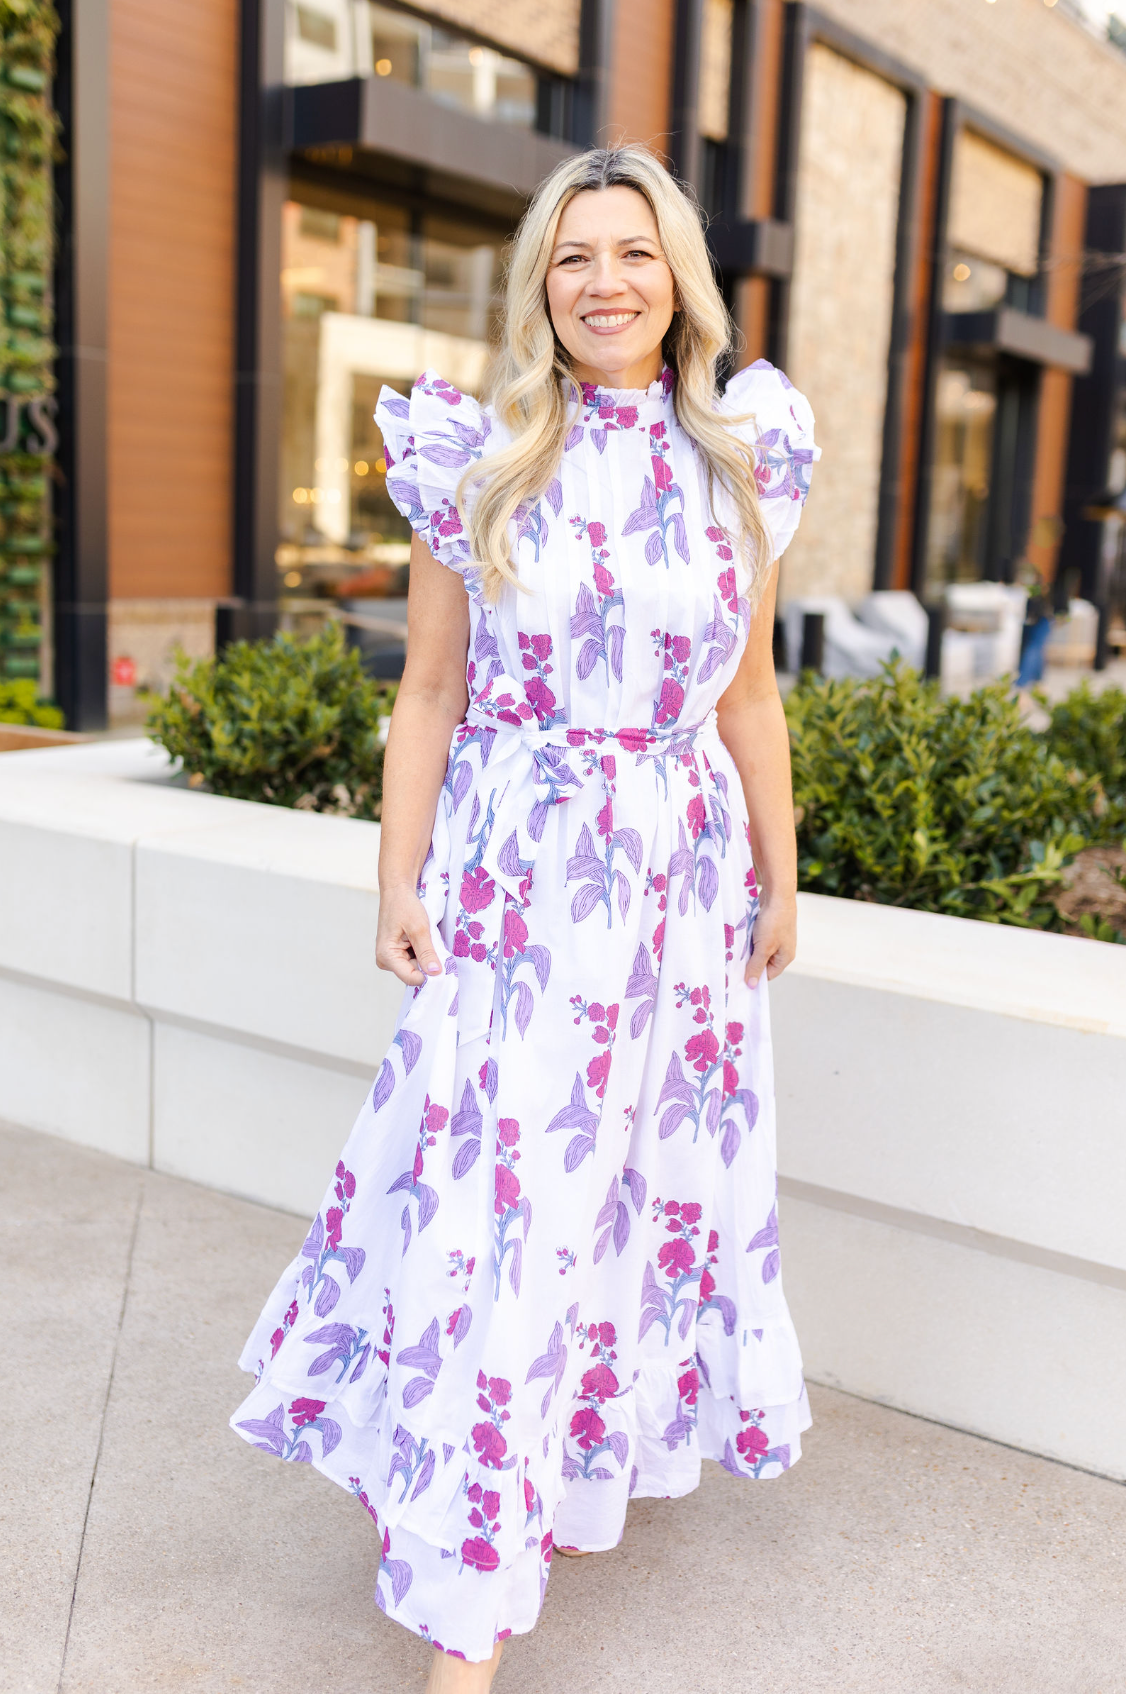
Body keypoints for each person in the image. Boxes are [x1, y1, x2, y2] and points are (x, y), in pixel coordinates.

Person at [231, 144, 818, 1692]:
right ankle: (468, 1592)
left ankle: (557, 1469)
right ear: (538, 286)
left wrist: (782, 870)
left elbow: (749, 695)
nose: (603, 281)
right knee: (508, 1202)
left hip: (679, 889)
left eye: (632, 251)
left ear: (678, 277)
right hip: (519, 879)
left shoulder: (744, 458)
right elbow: (427, 689)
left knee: (625, 1197)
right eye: (572, 256)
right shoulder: (478, 455)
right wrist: (395, 875)